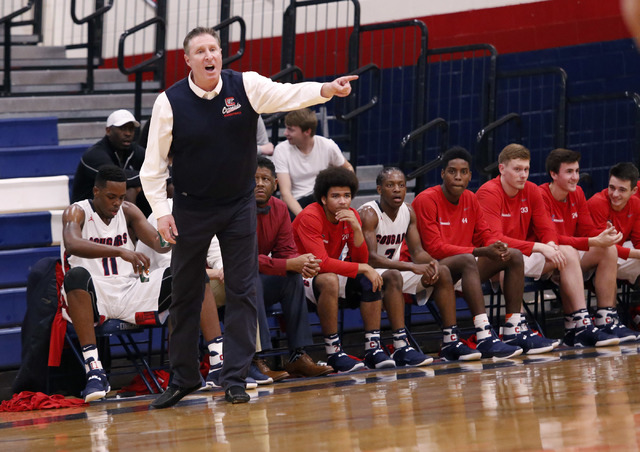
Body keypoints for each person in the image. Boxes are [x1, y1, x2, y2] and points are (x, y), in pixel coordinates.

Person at [140, 26, 358, 408]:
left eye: (214, 49)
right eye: (201, 51)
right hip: (191, 206)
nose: (209, 56)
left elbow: (287, 93)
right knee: (186, 293)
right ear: (187, 60)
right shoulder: (169, 102)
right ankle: (184, 378)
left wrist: (326, 89)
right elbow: (152, 168)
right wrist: (161, 212)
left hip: (238, 204)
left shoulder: (245, 86)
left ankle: (236, 378)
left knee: (244, 290)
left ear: (220, 55)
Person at [60, 166, 222, 404]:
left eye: (122, 197)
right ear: (96, 191)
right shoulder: (77, 212)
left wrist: (185, 233)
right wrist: (120, 251)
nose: (117, 203)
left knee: (192, 273)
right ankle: (94, 371)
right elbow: (72, 243)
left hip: (130, 289)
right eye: (111, 197)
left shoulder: (128, 211)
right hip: (94, 293)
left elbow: (159, 244)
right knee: (74, 277)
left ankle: (218, 362)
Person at [476, 144, 619, 348]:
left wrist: (551, 244)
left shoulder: (531, 190)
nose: (523, 174)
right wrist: (540, 247)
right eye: (517, 169)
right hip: (489, 259)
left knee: (566, 251)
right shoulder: (488, 192)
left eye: (526, 169)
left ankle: (581, 325)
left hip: (521, 254)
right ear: (501, 169)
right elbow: (495, 240)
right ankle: (517, 328)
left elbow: (546, 228)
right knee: (508, 257)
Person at [293, 166, 430, 372]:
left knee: (370, 279)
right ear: (323, 199)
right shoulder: (310, 216)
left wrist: (357, 231)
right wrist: (364, 267)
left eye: (347, 196)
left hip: (327, 273)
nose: (343, 201)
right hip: (298, 275)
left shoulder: (351, 215)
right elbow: (321, 262)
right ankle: (333, 353)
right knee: (333, 277)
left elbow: (361, 258)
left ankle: (373, 348)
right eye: (336, 196)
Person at [412, 147, 543, 358]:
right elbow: (434, 247)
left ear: (470, 176)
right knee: (467, 259)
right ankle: (483, 334)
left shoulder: (471, 199)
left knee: (514, 254)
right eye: (452, 171)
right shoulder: (426, 199)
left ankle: (512, 328)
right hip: (435, 270)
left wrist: (495, 245)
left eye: (463, 172)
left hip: (467, 268)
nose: (458, 176)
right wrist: (479, 250)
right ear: (442, 174)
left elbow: (485, 234)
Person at [358, 167, 482, 362]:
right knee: (394, 275)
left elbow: (417, 252)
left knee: (442, 272)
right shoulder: (369, 213)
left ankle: (450, 341)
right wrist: (411, 267)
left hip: (392, 271)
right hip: (363, 272)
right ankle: (400, 344)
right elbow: (371, 258)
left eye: (401, 185)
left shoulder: (408, 211)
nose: (397, 190)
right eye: (390, 185)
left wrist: (431, 264)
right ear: (380, 190)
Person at [539, 149, 636, 342]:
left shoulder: (578, 193)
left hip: (571, 258)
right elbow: (550, 238)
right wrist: (592, 240)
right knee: (569, 252)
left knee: (607, 249)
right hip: (546, 258)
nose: (575, 177)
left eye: (576, 171)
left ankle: (606, 320)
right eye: (569, 172)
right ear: (553, 174)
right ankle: (580, 325)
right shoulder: (539, 195)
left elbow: (587, 231)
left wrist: (603, 236)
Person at [252, 156, 334, 377]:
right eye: (254, 178)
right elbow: (243, 260)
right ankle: (256, 359)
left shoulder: (279, 208)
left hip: (261, 280)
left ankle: (298, 355)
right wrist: (289, 262)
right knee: (252, 281)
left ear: (275, 184)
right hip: (233, 281)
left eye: (265, 179)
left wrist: (301, 264)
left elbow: (287, 252)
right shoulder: (237, 209)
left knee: (292, 277)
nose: (259, 183)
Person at [273, 107, 354, 218]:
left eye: (290, 130)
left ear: (307, 131)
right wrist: (304, 217)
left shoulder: (327, 145)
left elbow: (348, 168)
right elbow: (285, 193)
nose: (285, 133)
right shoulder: (281, 150)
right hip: (297, 202)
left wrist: (346, 193)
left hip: (322, 199)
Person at [71, 109, 151, 216]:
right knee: (128, 189)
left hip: (111, 208)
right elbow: (117, 178)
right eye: (122, 129)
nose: (128, 133)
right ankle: (126, 230)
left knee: (163, 186)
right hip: (87, 212)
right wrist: (153, 176)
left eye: (131, 129)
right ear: (108, 131)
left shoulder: (135, 150)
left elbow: (159, 169)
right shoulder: (94, 154)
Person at [588, 162, 640, 288]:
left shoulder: (636, 203)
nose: (615, 194)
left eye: (622, 190)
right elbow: (603, 246)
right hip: (590, 258)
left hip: (616, 253)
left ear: (634, 190)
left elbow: (638, 241)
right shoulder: (597, 202)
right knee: (608, 253)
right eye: (612, 188)